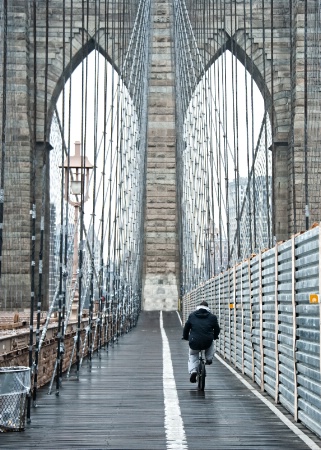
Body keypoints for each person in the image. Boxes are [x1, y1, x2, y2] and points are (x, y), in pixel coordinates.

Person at [182, 300, 220, 383]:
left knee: (192, 355)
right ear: (207, 308)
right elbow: (217, 329)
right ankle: (209, 358)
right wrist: (215, 336)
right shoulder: (212, 317)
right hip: (207, 341)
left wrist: (185, 337)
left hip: (194, 341)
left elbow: (186, 327)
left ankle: (193, 371)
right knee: (211, 342)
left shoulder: (192, 315)